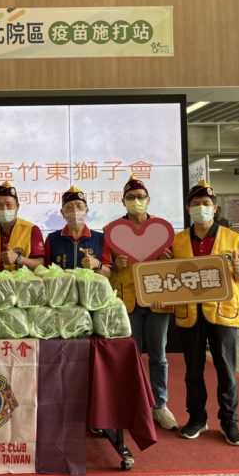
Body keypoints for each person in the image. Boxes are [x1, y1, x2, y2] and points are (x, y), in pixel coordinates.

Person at [170, 180, 239, 446]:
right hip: (190, 313)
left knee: (226, 369)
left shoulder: (234, 239)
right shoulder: (178, 241)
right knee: (193, 371)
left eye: (206, 204)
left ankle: (229, 421)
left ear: (215, 208)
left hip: (223, 313)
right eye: (195, 204)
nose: (201, 207)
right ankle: (197, 418)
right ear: (188, 208)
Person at [101, 175, 177, 431]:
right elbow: (105, 267)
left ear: (148, 200)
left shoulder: (163, 230)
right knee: (129, 356)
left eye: (140, 197)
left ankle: (160, 405)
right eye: (131, 198)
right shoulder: (111, 231)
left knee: (159, 356)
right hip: (127, 301)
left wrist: (170, 259)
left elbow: (179, 268)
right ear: (123, 201)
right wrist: (115, 265)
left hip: (158, 300)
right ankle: (131, 403)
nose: (136, 201)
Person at [44, 186, 110, 276]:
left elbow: (108, 274)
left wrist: (97, 264)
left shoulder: (100, 239)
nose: (75, 210)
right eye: (69, 207)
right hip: (61, 286)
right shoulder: (52, 239)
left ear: (86, 211)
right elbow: (44, 271)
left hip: (90, 285)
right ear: (62, 213)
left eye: (79, 206)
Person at [0, 181, 45, 271]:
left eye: (9, 205)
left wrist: (18, 258)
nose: (4, 209)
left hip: (22, 279)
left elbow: (40, 264)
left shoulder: (32, 230)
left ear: (17, 207)